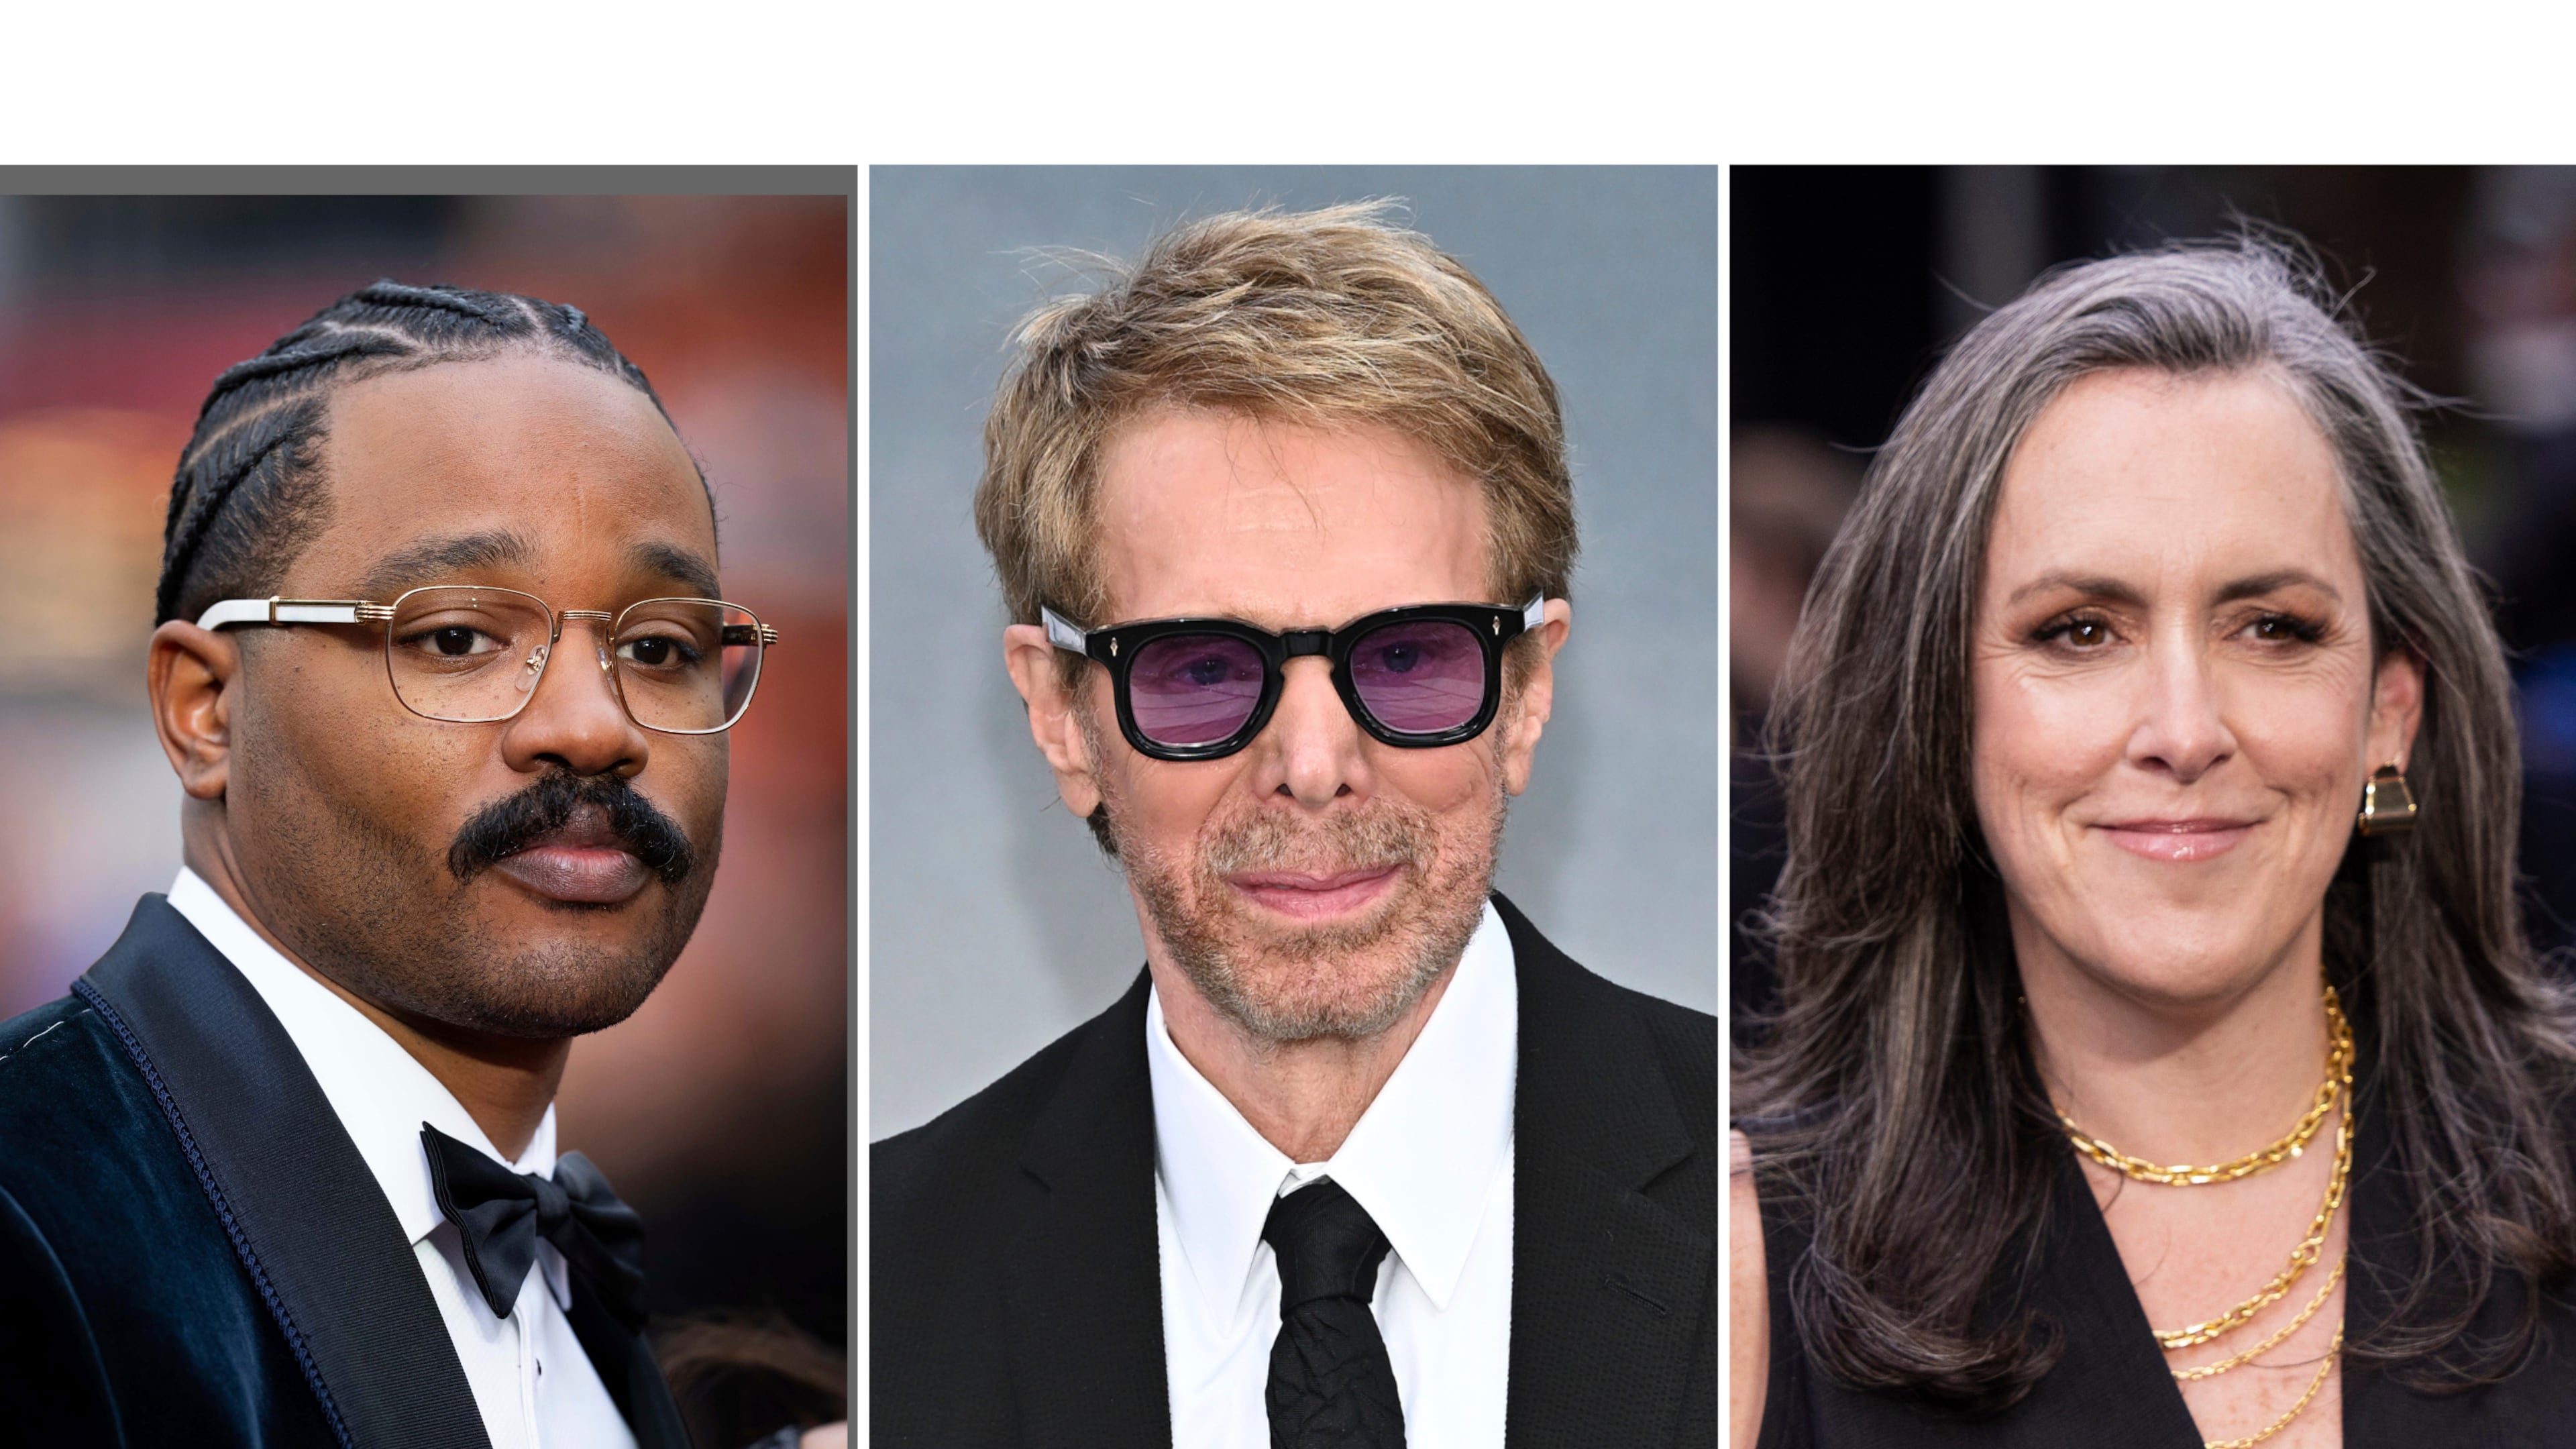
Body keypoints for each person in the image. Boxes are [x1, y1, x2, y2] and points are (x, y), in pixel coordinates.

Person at [871, 203, 1717, 1448]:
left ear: (1528, 694)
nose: (1314, 767)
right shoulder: (890, 1281)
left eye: (1411, 657)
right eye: (1202, 671)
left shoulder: (1786, 1206)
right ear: (1061, 716)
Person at [1732, 237, 2576, 1446]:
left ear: (2390, 711)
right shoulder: (1732, 1271)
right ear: (1940, 709)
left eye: (2274, 629)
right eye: (2080, 631)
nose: (2185, 731)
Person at [0, 282, 788, 1448]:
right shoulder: (30, 1211)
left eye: (658, 647)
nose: (593, 724)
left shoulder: (582, 1286)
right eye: (457, 639)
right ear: (206, 711)